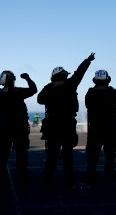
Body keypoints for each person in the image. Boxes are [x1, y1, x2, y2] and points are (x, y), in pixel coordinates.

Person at [37, 53, 95, 185]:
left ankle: (48, 177)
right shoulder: (71, 84)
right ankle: (68, 178)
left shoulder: (48, 87)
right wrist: (88, 60)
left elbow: (39, 100)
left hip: (52, 125)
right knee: (68, 154)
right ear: (64, 75)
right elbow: (80, 72)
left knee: (52, 153)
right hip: (68, 124)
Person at [0, 71, 37, 180]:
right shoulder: (18, 92)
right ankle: (22, 172)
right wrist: (27, 78)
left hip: (4, 128)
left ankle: (0, 172)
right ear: (11, 80)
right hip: (19, 128)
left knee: (3, 152)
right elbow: (33, 90)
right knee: (21, 151)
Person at [85, 70, 116, 182]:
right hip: (109, 128)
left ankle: (91, 173)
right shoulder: (113, 93)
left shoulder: (90, 93)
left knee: (93, 153)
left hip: (94, 127)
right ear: (107, 80)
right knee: (110, 152)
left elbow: (87, 105)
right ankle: (110, 173)